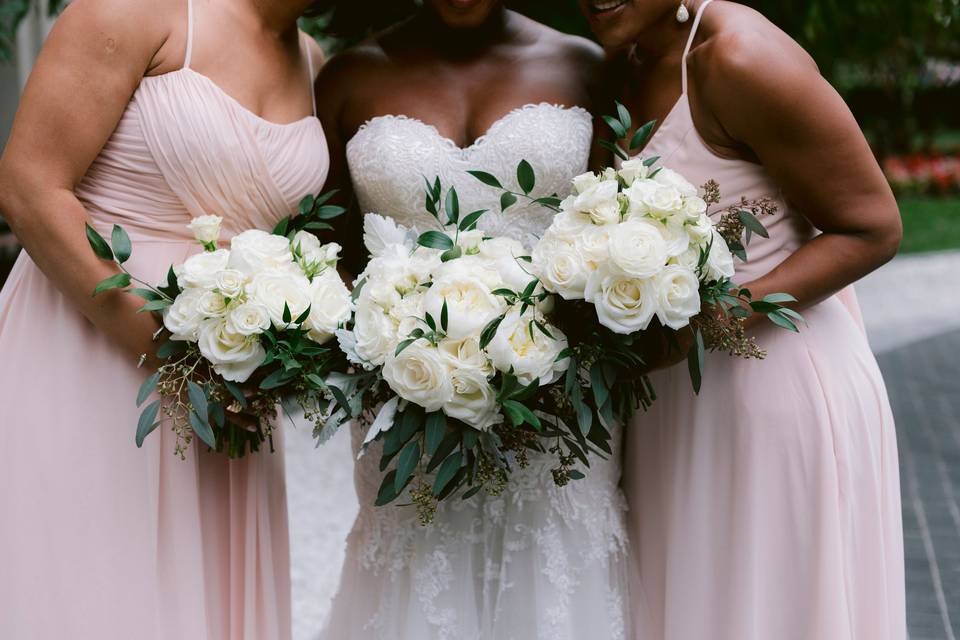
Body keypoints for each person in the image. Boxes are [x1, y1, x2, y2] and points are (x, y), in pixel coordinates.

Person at [577, 1, 906, 638]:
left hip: (773, 392)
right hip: (671, 403)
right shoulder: (627, 59)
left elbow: (872, 227)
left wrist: (701, 327)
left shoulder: (737, 58)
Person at [0, 0, 327, 637]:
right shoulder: (133, 10)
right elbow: (28, 187)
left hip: (226, 391)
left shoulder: (312, 60)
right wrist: (176, 360)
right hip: (87, 354)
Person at [314, 1, 639, 638]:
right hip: (404, 393)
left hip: (559, 406)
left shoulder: (585, 66)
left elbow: (612, 230)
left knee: (551, 578)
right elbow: (333, 252)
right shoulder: (348, 77)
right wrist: (397, 343)